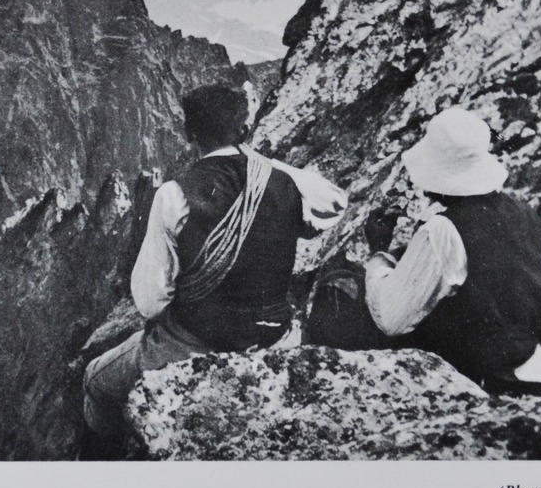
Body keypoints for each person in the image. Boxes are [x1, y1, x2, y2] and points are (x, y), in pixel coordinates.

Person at [82, 83, 345, 438]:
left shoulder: (174, 196)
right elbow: (334, 203)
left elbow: (150, 302)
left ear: (189, 134)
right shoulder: (283, 183)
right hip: (275, 339)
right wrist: (258, 162)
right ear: (243, 129)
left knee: (95, 382)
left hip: (196, 346)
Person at [362, 107, 541, 393]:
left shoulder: (443, 229)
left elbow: (389, 318)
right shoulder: (520, 209)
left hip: (507, 373)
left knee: (352, 301)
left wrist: (378, 249)